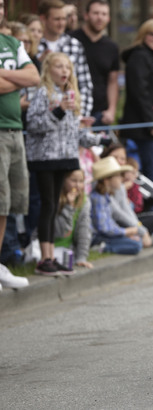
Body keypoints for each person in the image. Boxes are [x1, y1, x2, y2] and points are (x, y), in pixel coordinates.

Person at [25, 52, 102, 275]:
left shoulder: (70, 96)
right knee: (48, 204)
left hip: (65, 156)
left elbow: (74, 132)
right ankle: (44, 258)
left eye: (67, 67)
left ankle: (52, 256)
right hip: (45, 157)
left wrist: (98, 139)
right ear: (48, 69)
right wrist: (59, 110)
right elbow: (34, 124)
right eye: (59, 67)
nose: (64, 71)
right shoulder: (43, 93)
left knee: (56, 207)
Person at [0, 0, 40, 289]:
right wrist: (17, 80)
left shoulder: (12, 42)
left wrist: (5, 77)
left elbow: (34, 77)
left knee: (9, 204)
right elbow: (21, 79)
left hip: (15, 130)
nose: (1, 10)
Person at [119, 18, 153, 186]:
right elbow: (139, 94)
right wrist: (152, 123)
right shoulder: (139, 57)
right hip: (144, 128)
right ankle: (152, 210)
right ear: (143, 35)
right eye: (152, 34)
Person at [36, 0, 94, 125]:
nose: (62, 23)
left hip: (70, 119)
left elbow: (85, 84)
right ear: (43, 19)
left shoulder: (75, 45)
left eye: (64, 18)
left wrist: (81, 116)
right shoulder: (33, 45)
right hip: (41, 120)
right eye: (57, 19)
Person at [71, 0, 119, 127]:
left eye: (104, 14)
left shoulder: (111, 47)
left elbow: (112, 81)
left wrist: (112, 110)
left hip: (100, 113)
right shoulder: (71, 40)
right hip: (74, 110)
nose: (100, 18)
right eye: (96, 13)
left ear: (108, 18)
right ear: (86, 15)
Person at [100, 143, 153, 247]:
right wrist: (139, 231)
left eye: (122, 159)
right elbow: (117, 213)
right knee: (136, 244)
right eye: (115, 157)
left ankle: (144, 235)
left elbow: (126, 209)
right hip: (109, 227)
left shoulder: (118, 183)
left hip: (121, 223)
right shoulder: (104, 183)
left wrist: (140, 228)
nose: (119, 161)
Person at [90, 156, 142, 255]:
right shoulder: (98, 198)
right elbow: (103, 228)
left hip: (106, 234)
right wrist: (125, 232)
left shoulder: (105, 195)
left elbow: (110, 222)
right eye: (117, 176)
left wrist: (124, 234)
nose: (121, 178)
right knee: (136, 245)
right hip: (98, 236)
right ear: (106, 180)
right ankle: (102, 247)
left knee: (137, 241)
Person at [54, 169, 93, 268]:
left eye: (81, 181)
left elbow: (84, 230)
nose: (77, 185)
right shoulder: (55, 198)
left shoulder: (84, 201)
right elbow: (60, 232)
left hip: (68, 249)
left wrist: (82, 257)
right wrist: (68, 207)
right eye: (73, 180)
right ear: (63, 180)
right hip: (52, 247)